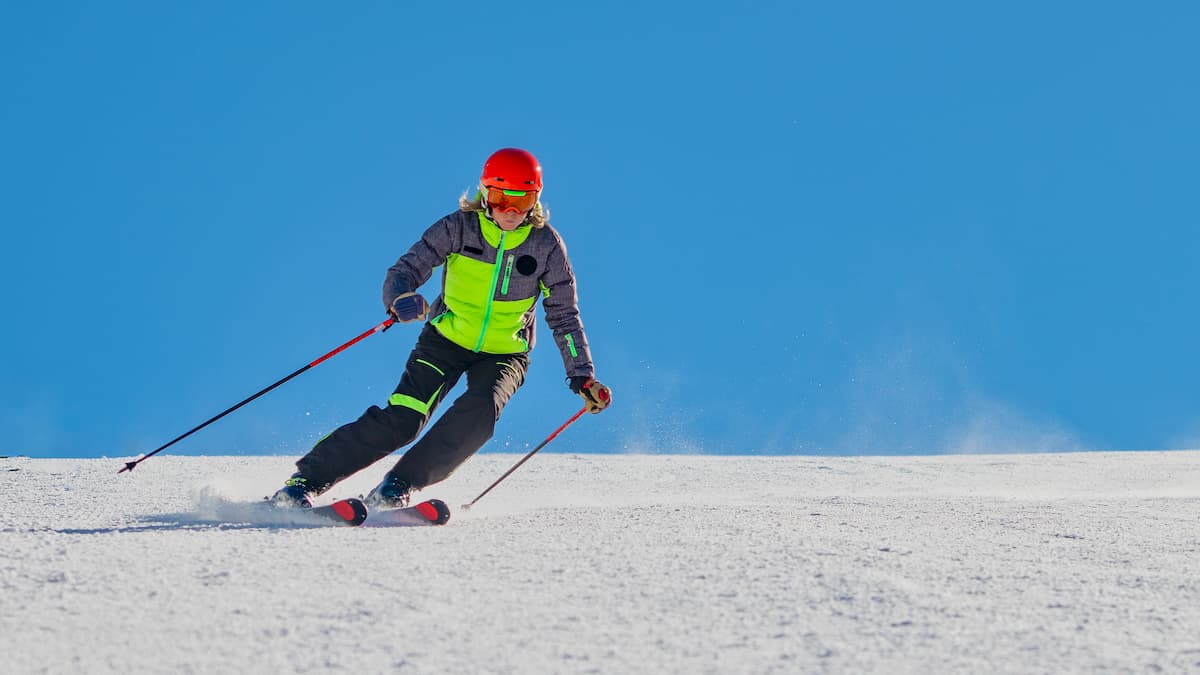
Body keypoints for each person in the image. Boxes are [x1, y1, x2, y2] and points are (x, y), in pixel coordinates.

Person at [272, 147, 611, 509]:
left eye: (522, 200)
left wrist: (582, 376)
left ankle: (399, 485)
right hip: (445, 339)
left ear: (535, 200)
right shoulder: (457, 228)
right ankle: (304, 482)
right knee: (404, 418)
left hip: (505, 352)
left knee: (481, 412)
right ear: (484, 194)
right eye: (500, 197)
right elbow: (403, 271)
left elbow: (563, 315)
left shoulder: (546, 246)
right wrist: (400, 298)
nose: (510, 211)